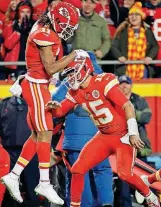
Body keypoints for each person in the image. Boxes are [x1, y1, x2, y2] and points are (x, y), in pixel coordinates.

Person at [46, 56, 160, 207]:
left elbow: (128, 106)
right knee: (77, 169)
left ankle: (150, 196)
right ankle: (75, 205)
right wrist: (54, 108)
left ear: (85, 69)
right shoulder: (76, 92)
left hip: (123, 135)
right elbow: (60, 112)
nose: (70, 77)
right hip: (104, 136)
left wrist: (133, 132)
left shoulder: (103, 81)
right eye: (68, 74)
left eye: (73, 72)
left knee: (124, 174)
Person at [1, 2, 84, 205]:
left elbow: (49, 69)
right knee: (46, 131)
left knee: (37, 134)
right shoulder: (45, 34)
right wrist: (74, 55)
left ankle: (14, 175)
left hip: (40, 84)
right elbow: (50, 67)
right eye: (66, 24)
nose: (67, 30)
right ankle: (44, 182)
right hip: (36, 86)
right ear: (56, 20)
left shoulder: (46, 27)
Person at [52, 52, 114, 207]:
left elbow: (54, 103)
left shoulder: (70, 82)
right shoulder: (106, 80)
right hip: (102, 138)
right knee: (103, 171)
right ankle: (106, 203)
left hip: (76, 142)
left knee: (79, 177)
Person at [117, 75, 152, 207]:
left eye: (126, 83)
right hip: (122, 147)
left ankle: (149, 202)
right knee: (124, 180)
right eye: (121, 84)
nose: (124, 86)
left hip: (140, 147)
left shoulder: (139, 99)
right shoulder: (114, 99)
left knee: (145, 178)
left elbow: (146, 117)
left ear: (131, 85)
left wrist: (128, 112)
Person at [111, 2, 159, 80]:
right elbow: (114, 46)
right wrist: (119, 56)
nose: (134, 17)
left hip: (142, 69)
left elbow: (155, 46)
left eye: (136, 15)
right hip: (125, 68)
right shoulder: (122, 30)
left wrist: (150, 57)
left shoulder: (147, 31)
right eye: (131, 15)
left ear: (141, 17)